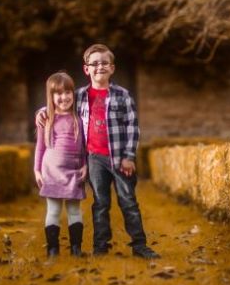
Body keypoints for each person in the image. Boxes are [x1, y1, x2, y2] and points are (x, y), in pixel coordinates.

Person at [36, 44, 161, 260]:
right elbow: (58, 102)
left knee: (128, 201)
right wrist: (41, 112)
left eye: (104, 63)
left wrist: (129, 157)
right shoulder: (80, 96)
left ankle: (139, 245)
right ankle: (100, 246)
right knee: (101, 203)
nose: (99, 67)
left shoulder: (122, 95)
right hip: (93, 159)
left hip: (120, 159)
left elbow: (133, 127)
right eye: (94, 63)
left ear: (112, 68)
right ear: (86, 69)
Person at [34, 71, 87, 257]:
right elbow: (40, 147)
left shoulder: (79, 118)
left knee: (74, 210)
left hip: (73, 170)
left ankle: (76, 249)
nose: (64, 97)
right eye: (58, 93)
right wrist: (37, 170)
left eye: (68, 92)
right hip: (51, 171)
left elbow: (84, 147)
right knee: (54, 210)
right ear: (51, 96)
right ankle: (53, 249)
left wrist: (85, 165)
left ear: (73, 94)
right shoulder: (46, 119)